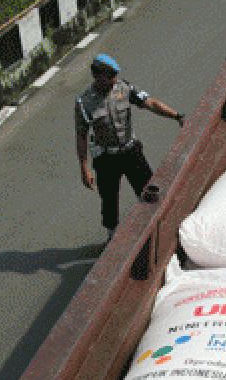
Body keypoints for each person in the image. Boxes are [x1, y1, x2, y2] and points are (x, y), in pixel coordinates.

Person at [75, 53, 184, 240]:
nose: (114, 79)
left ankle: (156, 228)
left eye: (115, 75)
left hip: (131, 151)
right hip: (106, 158)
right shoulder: (84, 103)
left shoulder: (125, 89)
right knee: (109, 200)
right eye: (110, 75)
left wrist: (176, 116)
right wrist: (84, 168)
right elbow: (81, 135)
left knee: (150, 190)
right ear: (97, 75)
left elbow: (151, 104)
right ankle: (112, 237)